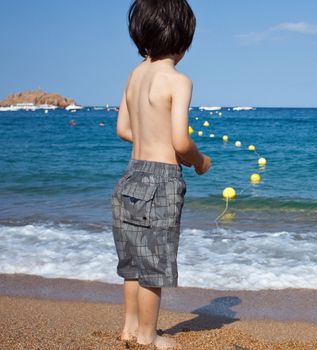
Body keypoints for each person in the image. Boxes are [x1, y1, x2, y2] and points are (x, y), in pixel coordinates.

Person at [111, 1, 211, 348]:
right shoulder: (178, 80)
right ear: (184, 39)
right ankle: (148, 336)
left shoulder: (135, 74)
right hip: (161, 181)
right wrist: (199, 160)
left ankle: (129, 328)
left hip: (130, 178)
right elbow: (180, 140)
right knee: (153, 267)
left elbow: (123, 128)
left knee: (133, 263)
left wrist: (152, 138)